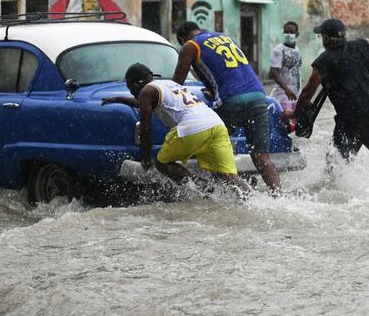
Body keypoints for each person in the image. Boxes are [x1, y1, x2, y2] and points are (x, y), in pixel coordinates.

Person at [284, 18, 369, 187]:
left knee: (334, 169)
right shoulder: (364, 44)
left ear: (325, 38)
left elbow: (308, 91)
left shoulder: (323, 61)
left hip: (351, 123)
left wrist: (295, 113)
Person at [173, 21, 281, 192]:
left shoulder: (190, 46)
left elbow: (176, 84)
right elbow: (228, 69)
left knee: (209, 148)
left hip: (232, 101)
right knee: (261, 156)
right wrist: (215, 90)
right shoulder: (224, 37)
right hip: (259, 96)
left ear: (181, 38)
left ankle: (233, 194)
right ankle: (279, 196)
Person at [103, 63, 247, 191]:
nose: (130, 92)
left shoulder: (146, 92)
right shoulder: (168, 84)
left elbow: (146, 128)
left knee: (162, 163)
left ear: (136, 84)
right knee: (228, 176)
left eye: (129, 88)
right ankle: (253, 199)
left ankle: (200, 184)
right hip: (216, 125)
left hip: (192, 127)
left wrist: (146, 158)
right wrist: (119, 99)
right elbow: (144, 103)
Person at [268, 21, 302, 110]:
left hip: (295, 93)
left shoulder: (297, 50)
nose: (289, 34)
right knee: (283, 117)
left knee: (293, 120)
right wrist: (286, 89)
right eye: (286, 32)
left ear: (297, 34)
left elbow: (297, 71)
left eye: (292, 32)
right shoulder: (279, 50)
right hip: (282, 93)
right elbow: (273, 72)